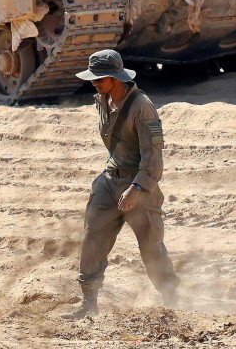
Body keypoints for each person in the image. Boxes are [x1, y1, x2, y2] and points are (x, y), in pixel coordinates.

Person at [67, 49, 178, 318]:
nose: (94, 83)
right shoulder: (103, 100)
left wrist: (137, 189)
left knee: (151, 248)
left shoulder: (142, 107)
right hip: (109, 182)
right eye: (93, 78)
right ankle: (88, 304)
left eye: (99, 78)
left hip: (138, 185)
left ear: (116, 78)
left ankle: (173, 302)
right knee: (92, 241)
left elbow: (154, 156)